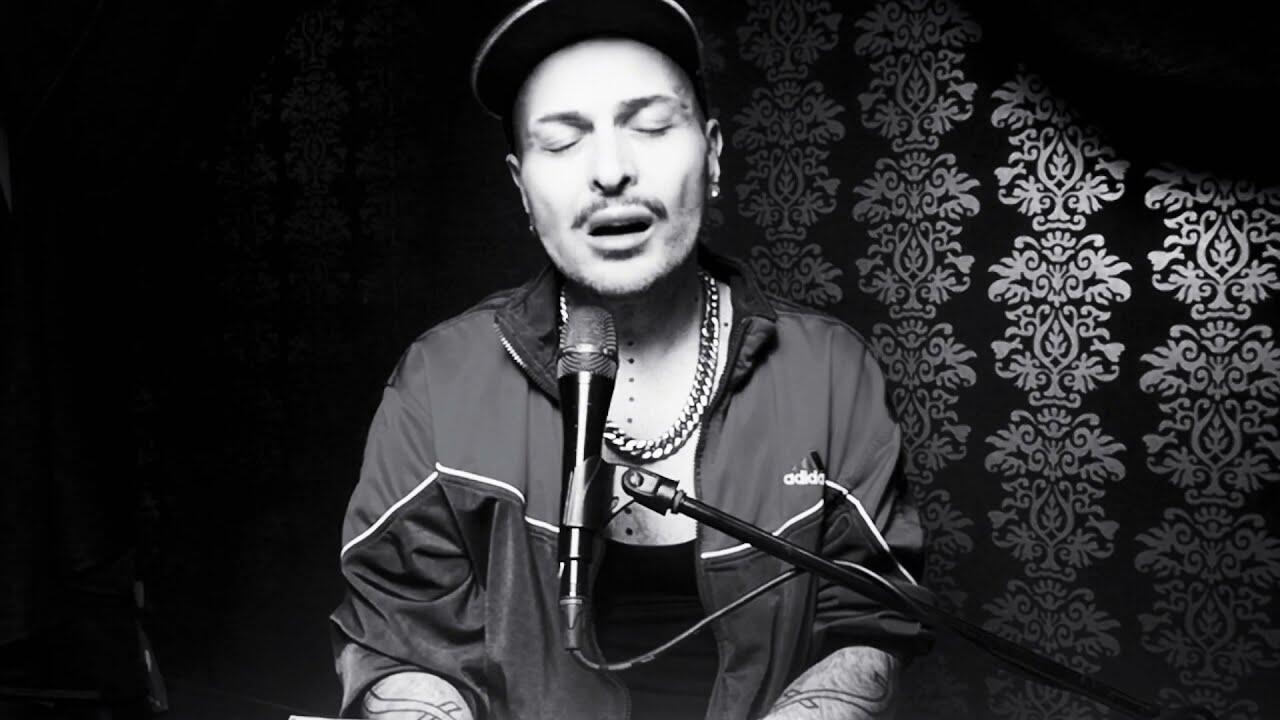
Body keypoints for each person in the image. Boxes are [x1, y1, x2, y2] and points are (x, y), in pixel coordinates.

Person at [330, 0, 930, 718]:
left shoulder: (830, 373)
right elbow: (399, 638)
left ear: (712, 155)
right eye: (562, 143)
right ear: (522, 188)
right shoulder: (439, 381)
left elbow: (871, 620)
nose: (610, 171)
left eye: (649, 127)